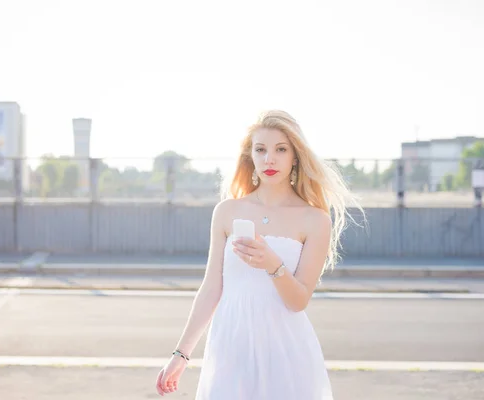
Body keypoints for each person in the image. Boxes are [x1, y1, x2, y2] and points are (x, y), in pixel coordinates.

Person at [155, 110, 363, 399]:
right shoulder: (227, 212)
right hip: (230, 347)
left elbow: (298, 301)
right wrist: (181, 354)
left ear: (295, 157)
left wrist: (272, 264)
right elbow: (211, 289)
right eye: (261, 149)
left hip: (285, 351)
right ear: (249, 156)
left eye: (281, 149)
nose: (270, 159)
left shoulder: (314, 219)